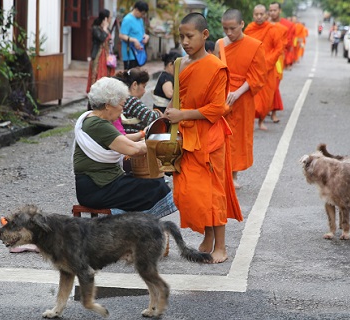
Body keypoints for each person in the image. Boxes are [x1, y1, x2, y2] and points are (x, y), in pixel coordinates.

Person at [165, 12, 243, 264]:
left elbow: (217, 108)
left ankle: (220, 246)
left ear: (205, 35)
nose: (185, 41)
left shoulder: (216, 67)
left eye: (190, 36)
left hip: (210, 136)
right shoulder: (179, 64)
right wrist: (168, 113)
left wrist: (182, 114)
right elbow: (179, 99)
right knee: (189, 192)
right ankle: (207, 237)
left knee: (214, 191)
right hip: (186, 135)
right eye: (181, 37)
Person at [73, 77, 176, 218]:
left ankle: (137, 225)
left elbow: (122, 140)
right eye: (121, 105)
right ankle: (140, 226)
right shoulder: (98, 125)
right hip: (97, 189)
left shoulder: (91, 119)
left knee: (150, 184)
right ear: (108, 104)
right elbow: (133, 149)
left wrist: (143, 134)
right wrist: (162, 140)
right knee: (155, 185)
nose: (121, 111)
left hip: (96, 187)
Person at [214, 8, 266, 189]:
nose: (229, 33)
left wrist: (237, 92)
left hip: (242, 98)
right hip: (222, 96)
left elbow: (257, 76)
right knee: (218, 134)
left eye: (233, 28)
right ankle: (219, 173)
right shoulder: (220, 44)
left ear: (242, 24)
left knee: (237, 137)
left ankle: (233, 175)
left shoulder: (255, 45)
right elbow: (214, 70)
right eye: (225, 28)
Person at [244, 4, 284, 130]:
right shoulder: (249, 30)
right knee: (250, 97)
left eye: (261, 14)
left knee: (266, 98)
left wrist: (267, 62)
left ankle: (261, 120)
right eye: (256, 14)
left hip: (268, 68)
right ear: (253, 15)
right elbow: (244, 46)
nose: (259, 17)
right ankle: (249, 121)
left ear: (266, 15)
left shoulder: (272, 30)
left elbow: (279, 48)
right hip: (252, 69)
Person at [114, 68, 162, 134]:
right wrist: (159, 113)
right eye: (143, 86)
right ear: (135, 85)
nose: (144, 91)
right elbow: (152, 117)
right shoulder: (132, 101)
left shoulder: (124, 99)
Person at [268, 2, 290, 124]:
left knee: (274, 85)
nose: (272, 13)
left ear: (279, 11)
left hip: (276, 61)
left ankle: (274, 112)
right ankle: (265, 109)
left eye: (275, 10)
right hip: (264, 59)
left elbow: (284, 44)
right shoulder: (264, 26)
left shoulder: (283, 28)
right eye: (270, 10)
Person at [86, 9, 115, 93]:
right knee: (97, 74)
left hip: (106, 55)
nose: (110, 19)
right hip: (98, 56)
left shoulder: (107, 29)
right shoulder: (95, 29)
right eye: (109, 17)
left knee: (107, 75)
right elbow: (101, 38)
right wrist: (105, 28)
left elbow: (109, 40)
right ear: (105, 18)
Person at [119, 1, 150, 70]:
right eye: (142, 13)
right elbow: (121, 35)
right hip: (130, 53)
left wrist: (146, 36)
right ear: (136, 9)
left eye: (144, 14)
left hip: (139, 52)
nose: (143, 16)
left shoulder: (140, 20)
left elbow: (142, 33)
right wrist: (134, 40)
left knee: (137, 75)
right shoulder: (127, 19)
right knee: (130, 76)